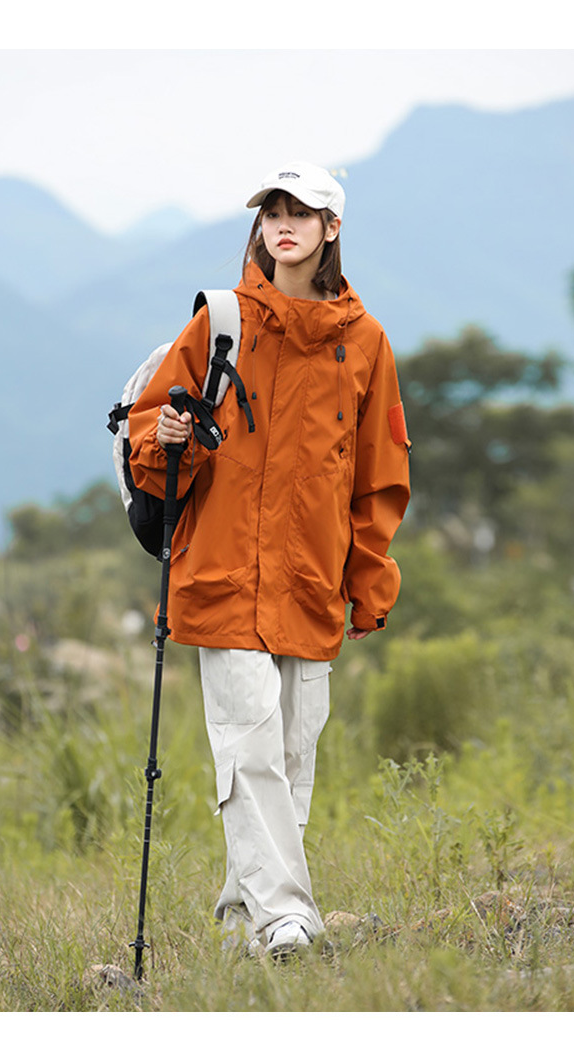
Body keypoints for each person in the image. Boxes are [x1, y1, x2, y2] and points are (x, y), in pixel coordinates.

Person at [128, 161, 411, 959]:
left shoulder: (365, 343)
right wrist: (169, 436)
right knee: (250, 748)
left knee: (289, 760)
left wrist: (369, 582)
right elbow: (149, 432)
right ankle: (289, 917)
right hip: (221, 575)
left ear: (332, 228)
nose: (284, 224)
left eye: (302, 212)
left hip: (311, 583)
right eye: (273, 211)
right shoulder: (222, 322)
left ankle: (241, 926)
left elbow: (379, 475)